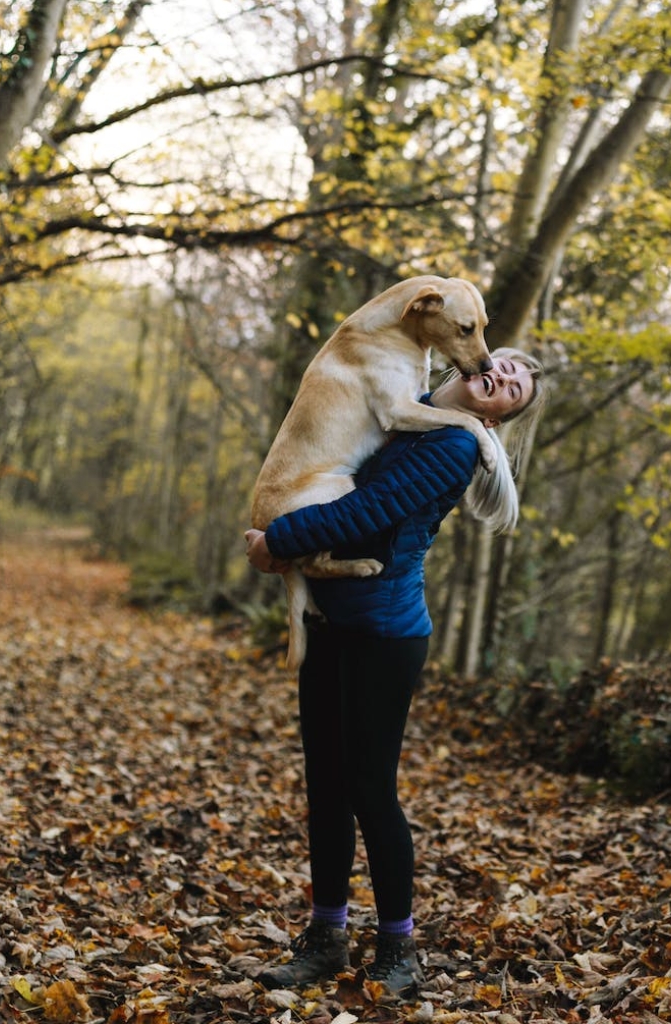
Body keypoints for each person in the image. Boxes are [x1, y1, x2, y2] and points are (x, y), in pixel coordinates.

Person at [244, 347, 547, 995]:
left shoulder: (453, 449)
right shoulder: (402, 413)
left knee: (368, 787)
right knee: (325, 783)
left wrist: (280, 542)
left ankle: (398, 948)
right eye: (506, 364)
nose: (502, 376)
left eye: (513, 389)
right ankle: (326, 938)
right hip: (328, 620)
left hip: (385, 635)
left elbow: (367, 514)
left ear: (497, 418)